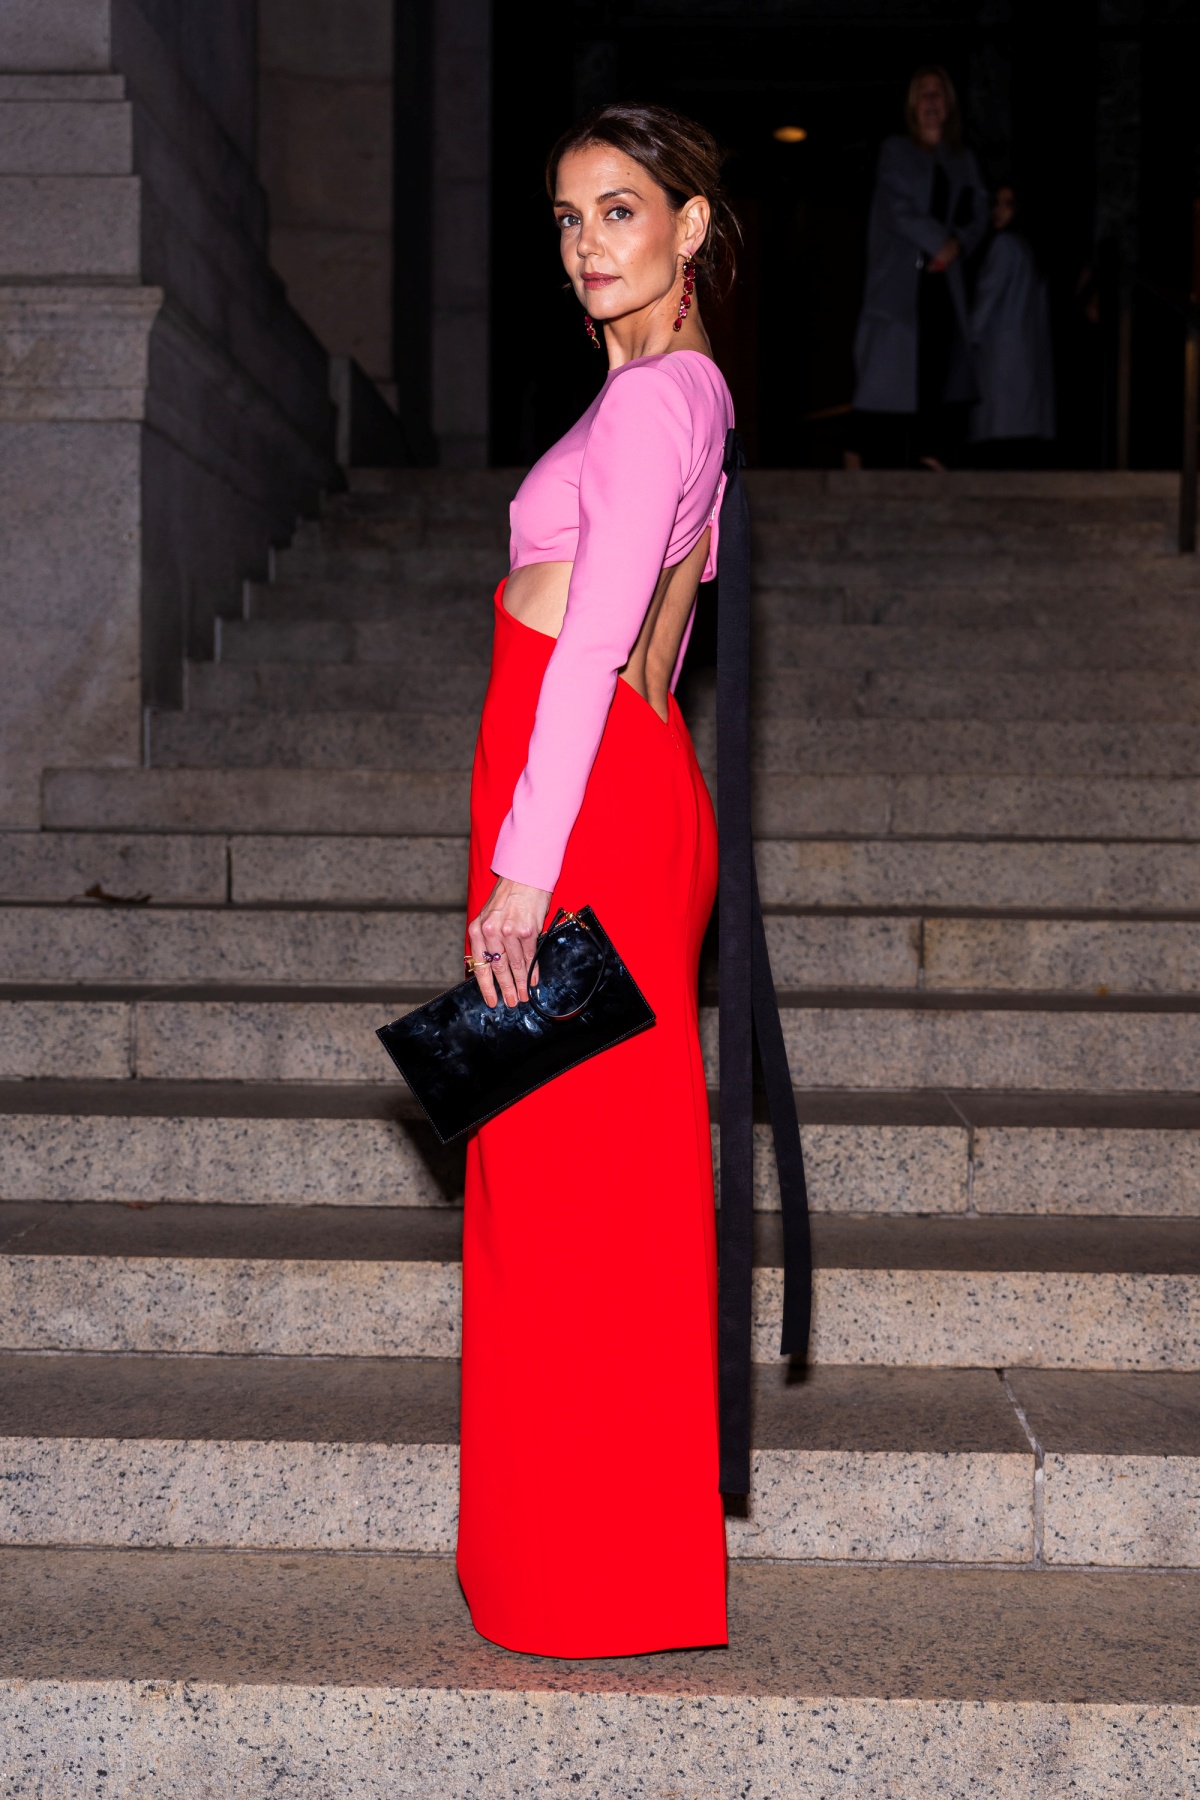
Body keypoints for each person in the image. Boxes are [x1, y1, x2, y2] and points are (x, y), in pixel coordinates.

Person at [458, 102, 737, 1657]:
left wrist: (520, 870)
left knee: (564, 1202)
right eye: (567, 220)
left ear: (690, 229)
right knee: (572, 1192)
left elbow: (595, 656)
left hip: (584, 819)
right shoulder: (676, 397)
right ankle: (588, 1567)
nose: (586, 247)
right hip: (608, 806)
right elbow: (660, 647)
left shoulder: (650, 409)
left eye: (619, 212)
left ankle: (587, 1577)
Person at [849, 65, 988, 469]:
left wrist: (957, 245)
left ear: (948, 104)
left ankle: (932, 453)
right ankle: (860, 454)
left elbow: (979, 210)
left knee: (941, 365)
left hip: (945, 280)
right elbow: (896, 208)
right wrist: (938, 242)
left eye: (937, 93)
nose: (930, 101)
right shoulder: (897, 151)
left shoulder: (962, 159)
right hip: (902, 283)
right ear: (912, 105)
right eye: (922, 93)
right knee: (888, 372)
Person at [968, 185, 1056, 461]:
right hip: (1020, 355)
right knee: (1014, 434)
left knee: (999, 433)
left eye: (1007, 204)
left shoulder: (1005, 245)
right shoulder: (1027, 248)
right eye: (997, 203)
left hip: (1001, 354)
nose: (998, 210)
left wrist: (969, 338)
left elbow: (988, 297)